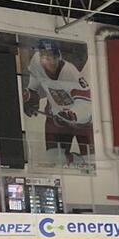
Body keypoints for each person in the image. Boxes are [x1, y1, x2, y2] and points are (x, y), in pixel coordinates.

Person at [22, 38, 93, 166]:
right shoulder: (36, 61)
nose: (48, 61)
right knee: (54, 159)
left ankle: (80, 160)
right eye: (44, 56)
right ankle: (72, 161)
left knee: (92, 160)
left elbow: (86, 103)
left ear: (58, 56)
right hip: (57, 119)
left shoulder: (70, 73)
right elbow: (35, 77)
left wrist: (72, 115)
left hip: (82, 122)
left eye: (52, 56)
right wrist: (31, 93)